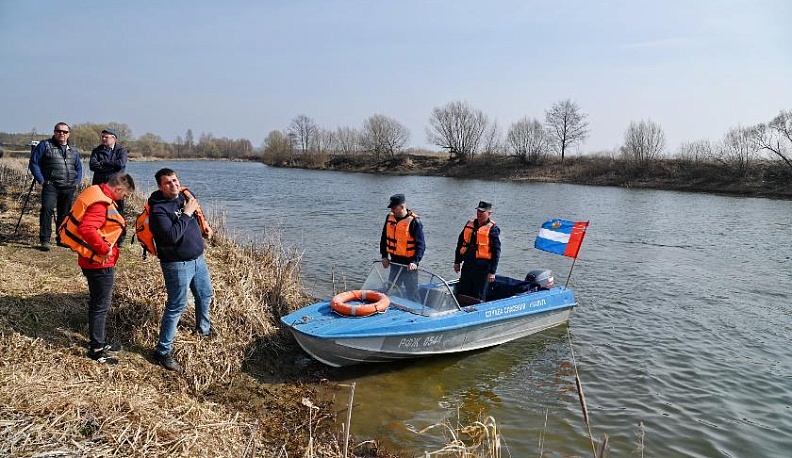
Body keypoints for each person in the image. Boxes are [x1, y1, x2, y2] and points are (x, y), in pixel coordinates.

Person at [58, 173, 135, 365]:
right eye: (124, 195)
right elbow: (87, 229)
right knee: (101, 306)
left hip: (91, 261)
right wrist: (104, 248)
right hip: (99, 263)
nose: (124, 198)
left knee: (98, 303)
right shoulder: (101, 203)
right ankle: (97, 350)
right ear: (117, 189)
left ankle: (99, 341)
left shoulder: (96, 191)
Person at [148, 168, 214, 372]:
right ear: (160, 186)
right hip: (177, 264)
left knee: (205, 294)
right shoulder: (158, 209)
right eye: (168, 183)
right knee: (177, 305)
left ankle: (204, 330)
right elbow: (170, 237)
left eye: (175, 180)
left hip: (198, 260)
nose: (174, 185)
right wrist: (186, 213)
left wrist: (205, 227)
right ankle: (162, 351)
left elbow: (198, 216)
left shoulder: (185, 195)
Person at [28, 122, 83, 251]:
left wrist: (77, 181)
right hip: (51, 185)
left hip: (68, 186)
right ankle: (45, 240)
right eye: (59, 131)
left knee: (64, 213)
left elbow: (78, 167)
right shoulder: (45, 145)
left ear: (69, 134)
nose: (61, 134)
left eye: (65, 132)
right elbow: (34, 163)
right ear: (54, 132)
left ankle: (62, 239)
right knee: (47, 209)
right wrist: (41, 180)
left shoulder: (73, 149)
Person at [380, 193, 425, 301]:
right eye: (391, 208)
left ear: (402, 206)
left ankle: (416, 311)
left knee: (412, 292)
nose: (392, 210)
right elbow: (384, 239)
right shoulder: (389, 218)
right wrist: (384, 256)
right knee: (392, 289)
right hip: (395, 262)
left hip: (409, 264)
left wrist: (415, 261)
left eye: (394, 208)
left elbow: (421, 245)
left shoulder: (414, 222)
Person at [453, 201, 501, 301]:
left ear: (489, 213)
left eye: (482, 212)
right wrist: (457, 261)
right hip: (468, 264)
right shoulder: (469, 225)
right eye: (478, 211)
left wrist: (492, 272)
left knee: (478, 294)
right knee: (463, 291)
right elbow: (460, 243)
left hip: (483, 267)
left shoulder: (493, 229)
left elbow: (496, 251)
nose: (479, 213)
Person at [89, 128, 129, 214]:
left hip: (116, 186)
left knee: (117, 211)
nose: (103, 139)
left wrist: (103, 163)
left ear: (114, 138)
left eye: (106, 137)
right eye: (102, 137)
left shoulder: (121, 150)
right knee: (99, 209)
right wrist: (112, 167)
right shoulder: (97, 150)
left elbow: (120, 164)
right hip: (100, 185)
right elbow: (92, 166)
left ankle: (118, 227)